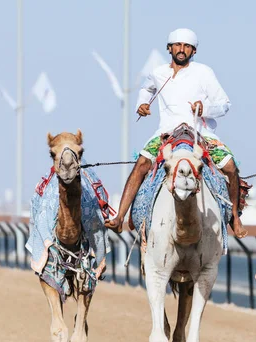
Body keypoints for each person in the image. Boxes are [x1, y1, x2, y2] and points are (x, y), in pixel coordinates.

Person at [104, 28, 247, 238]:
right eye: (177, 45)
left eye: (187, 46)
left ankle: (234, 217)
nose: (182, 50)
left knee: (230, 167)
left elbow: (224, 104)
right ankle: (119, 218)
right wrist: (142, 104)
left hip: (200, 132)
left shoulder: (203, 72)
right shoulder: (158, 72)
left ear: (194, 51)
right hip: (167, 132)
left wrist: (203, 108)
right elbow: (146, 89)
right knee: (142, 164)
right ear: (169, 48)